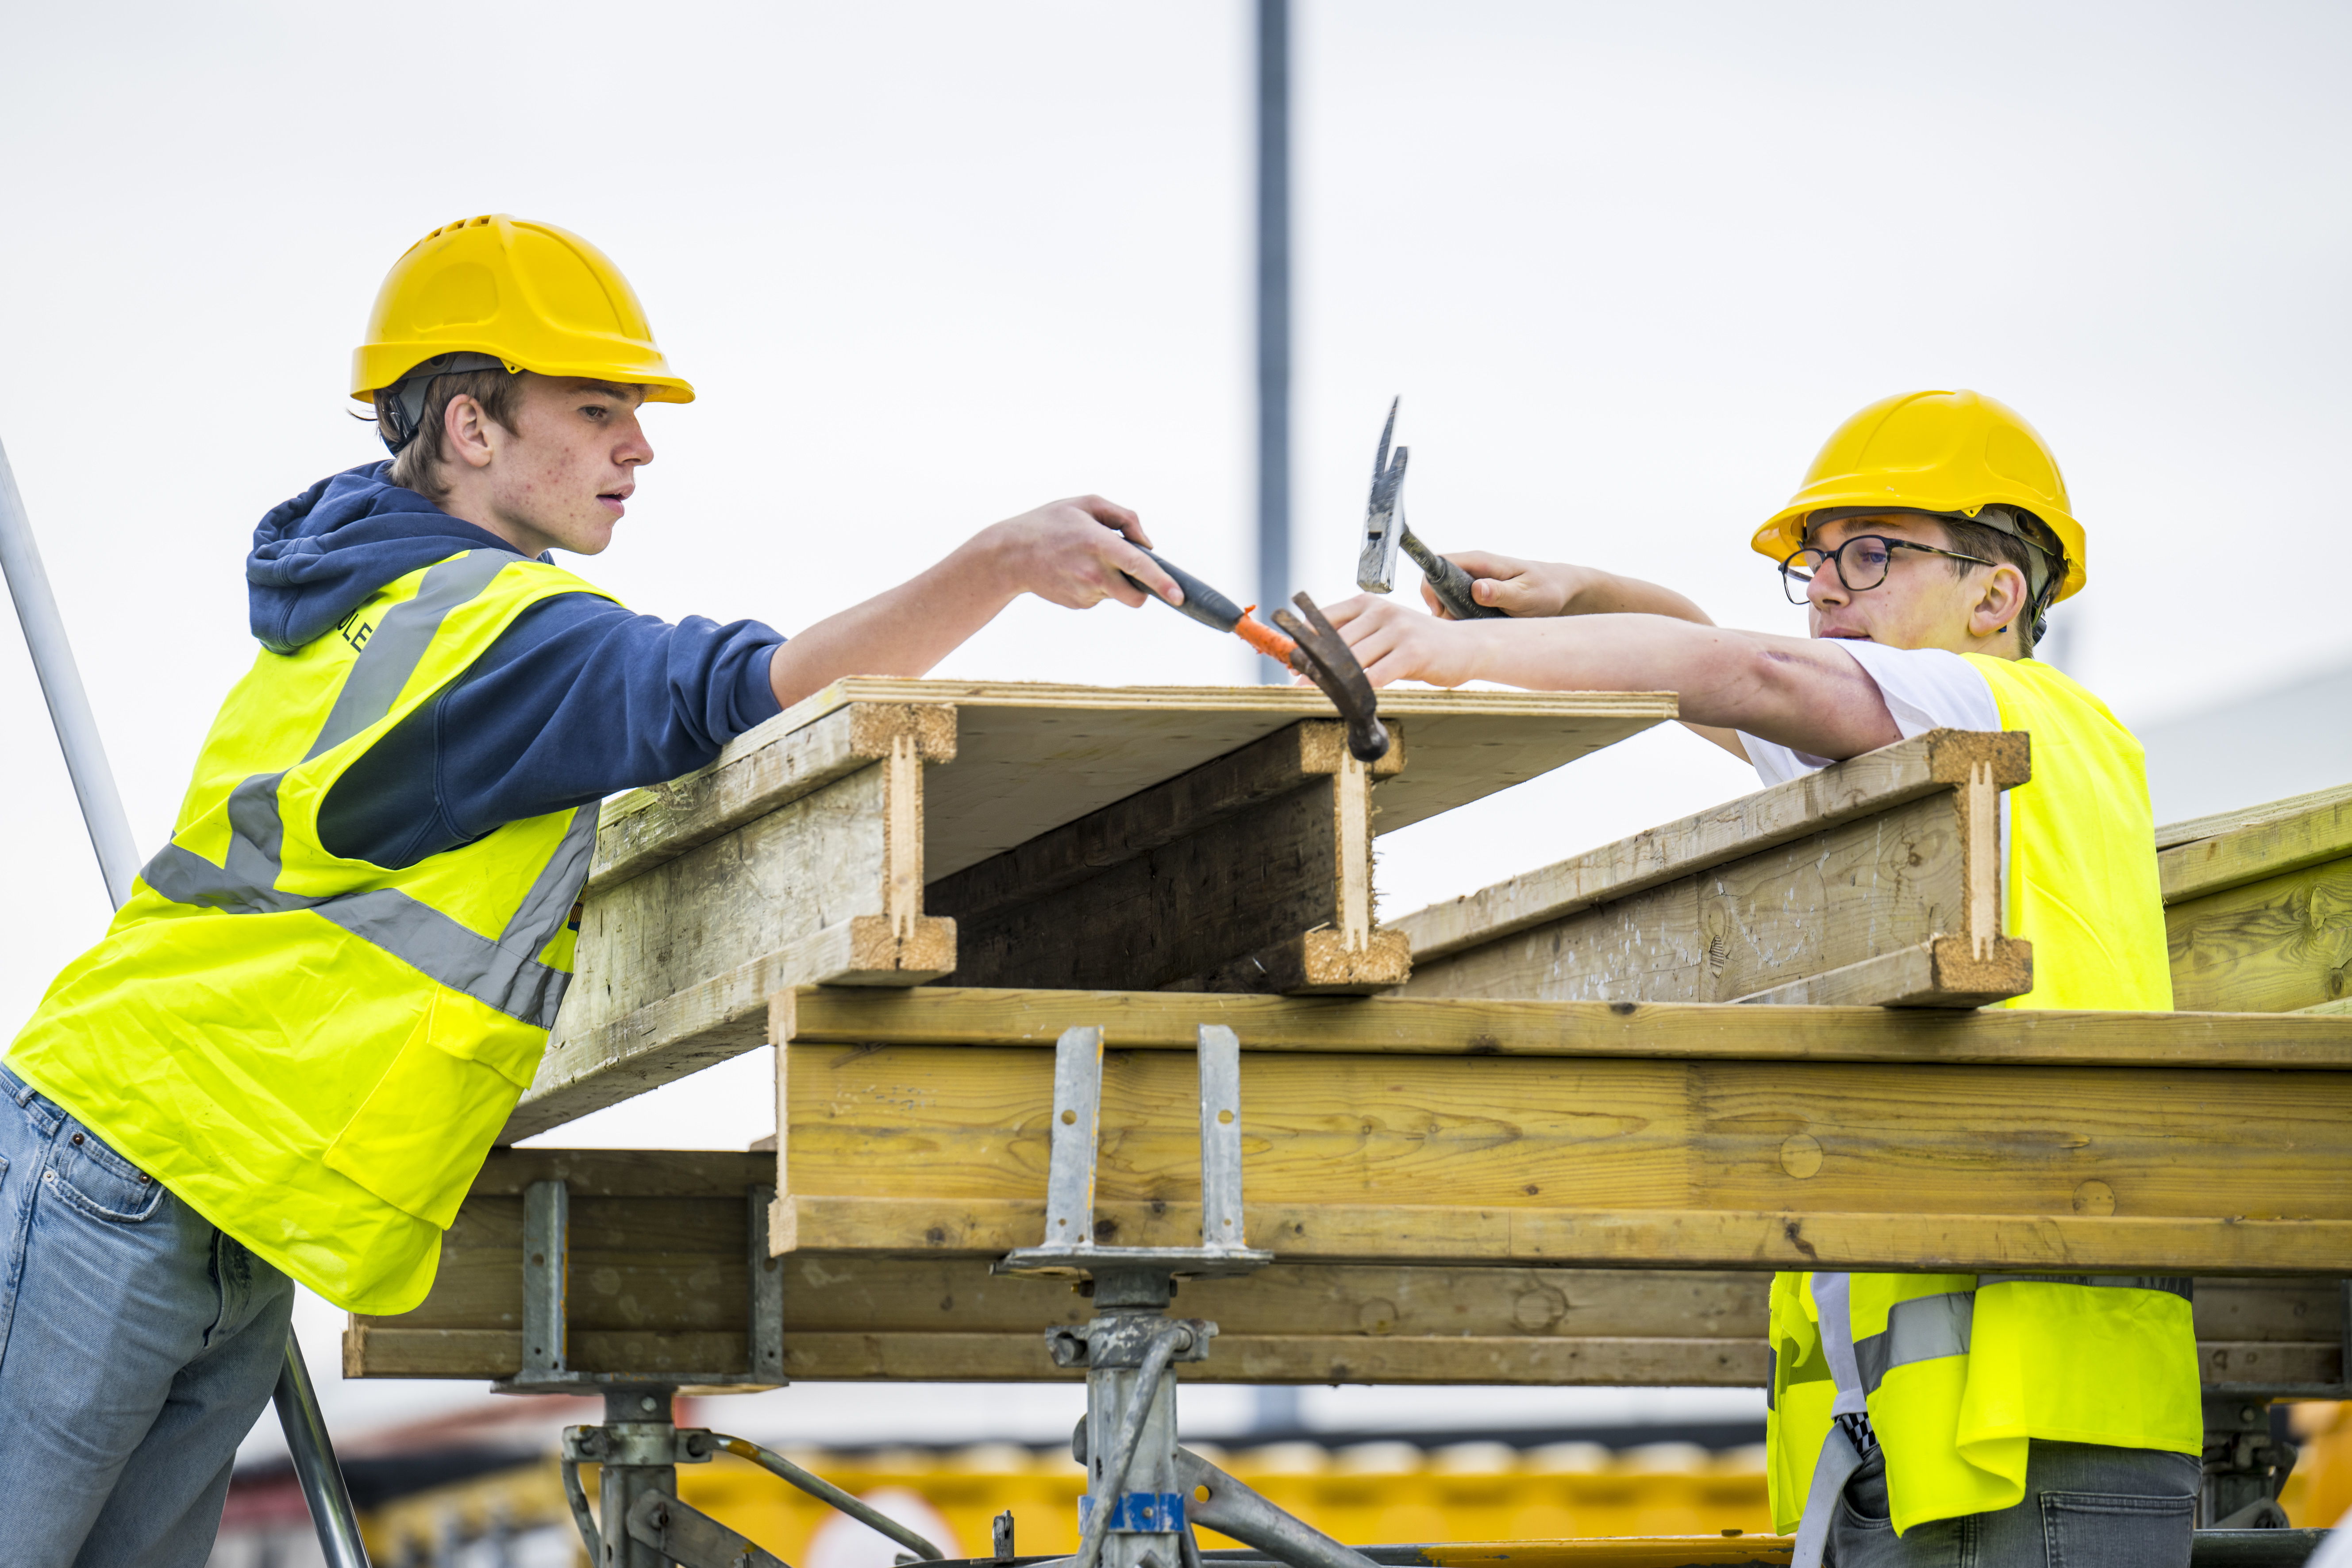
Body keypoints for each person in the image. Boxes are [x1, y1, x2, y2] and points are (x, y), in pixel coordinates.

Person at [0, 214, 1183, 1565]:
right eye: (598, 406)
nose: (640, 445)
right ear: (470, 425)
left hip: (200, 1199)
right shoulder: (494, 637)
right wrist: (998, 567)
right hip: (136, 1171)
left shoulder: (379, 597)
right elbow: (742, 687)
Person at [1325, 389, 2202, 1566]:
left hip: (2029, 1425)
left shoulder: (2006, 706)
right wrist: (1585, 599)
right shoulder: (1918, 743)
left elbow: (1758, 678)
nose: (1830, 585)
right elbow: (1738, 680)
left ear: (1995, 596)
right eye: (1817, 564)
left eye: (1872, 554)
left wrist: (1460, 652)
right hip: (1929, 1442)